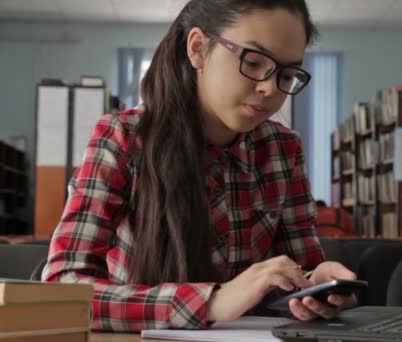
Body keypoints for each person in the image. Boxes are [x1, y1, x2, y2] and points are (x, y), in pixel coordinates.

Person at [41, 0, 357, 332]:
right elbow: (62, 291)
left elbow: (300, 269)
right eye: (254, 61)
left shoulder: (283, 148)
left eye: (287, 74)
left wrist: (314, 286)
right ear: (197, 48)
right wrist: (213, 300)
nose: (269, 88)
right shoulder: (123, 137)